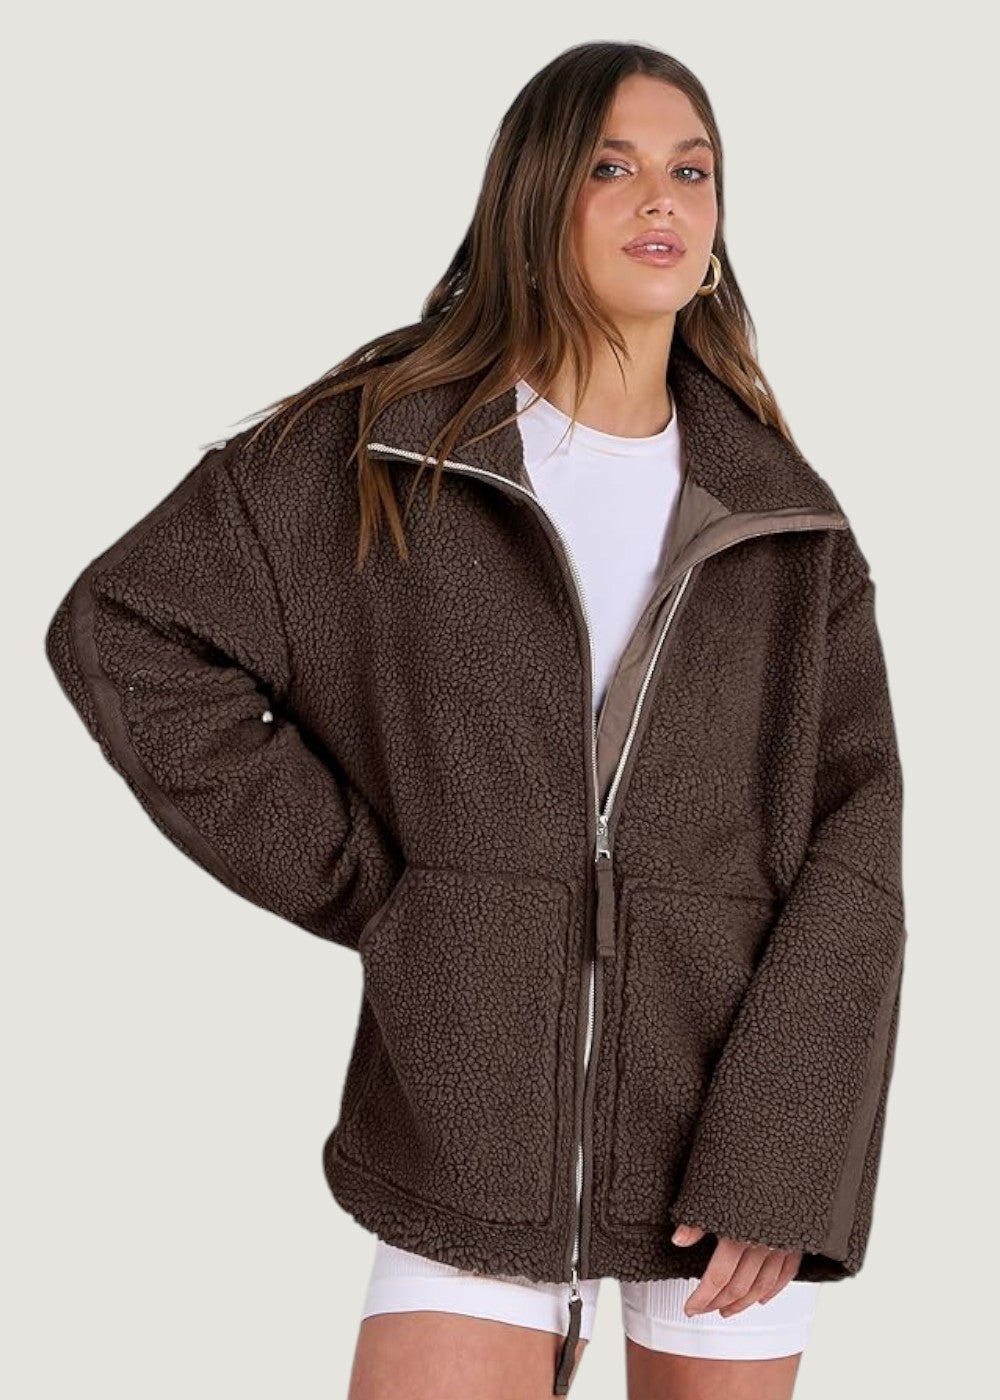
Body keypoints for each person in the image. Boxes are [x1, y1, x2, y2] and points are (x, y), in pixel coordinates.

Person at [44, 39, 907, 1400]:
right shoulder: (393, 449)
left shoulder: (785, 520)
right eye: (612, 167)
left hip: (728, 1136)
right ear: (535, 198)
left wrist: (786, 1150)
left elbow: (857, 843)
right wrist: (381, 886)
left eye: (692, 170)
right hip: (471, 1127)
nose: (662, 199)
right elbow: (128, 624)